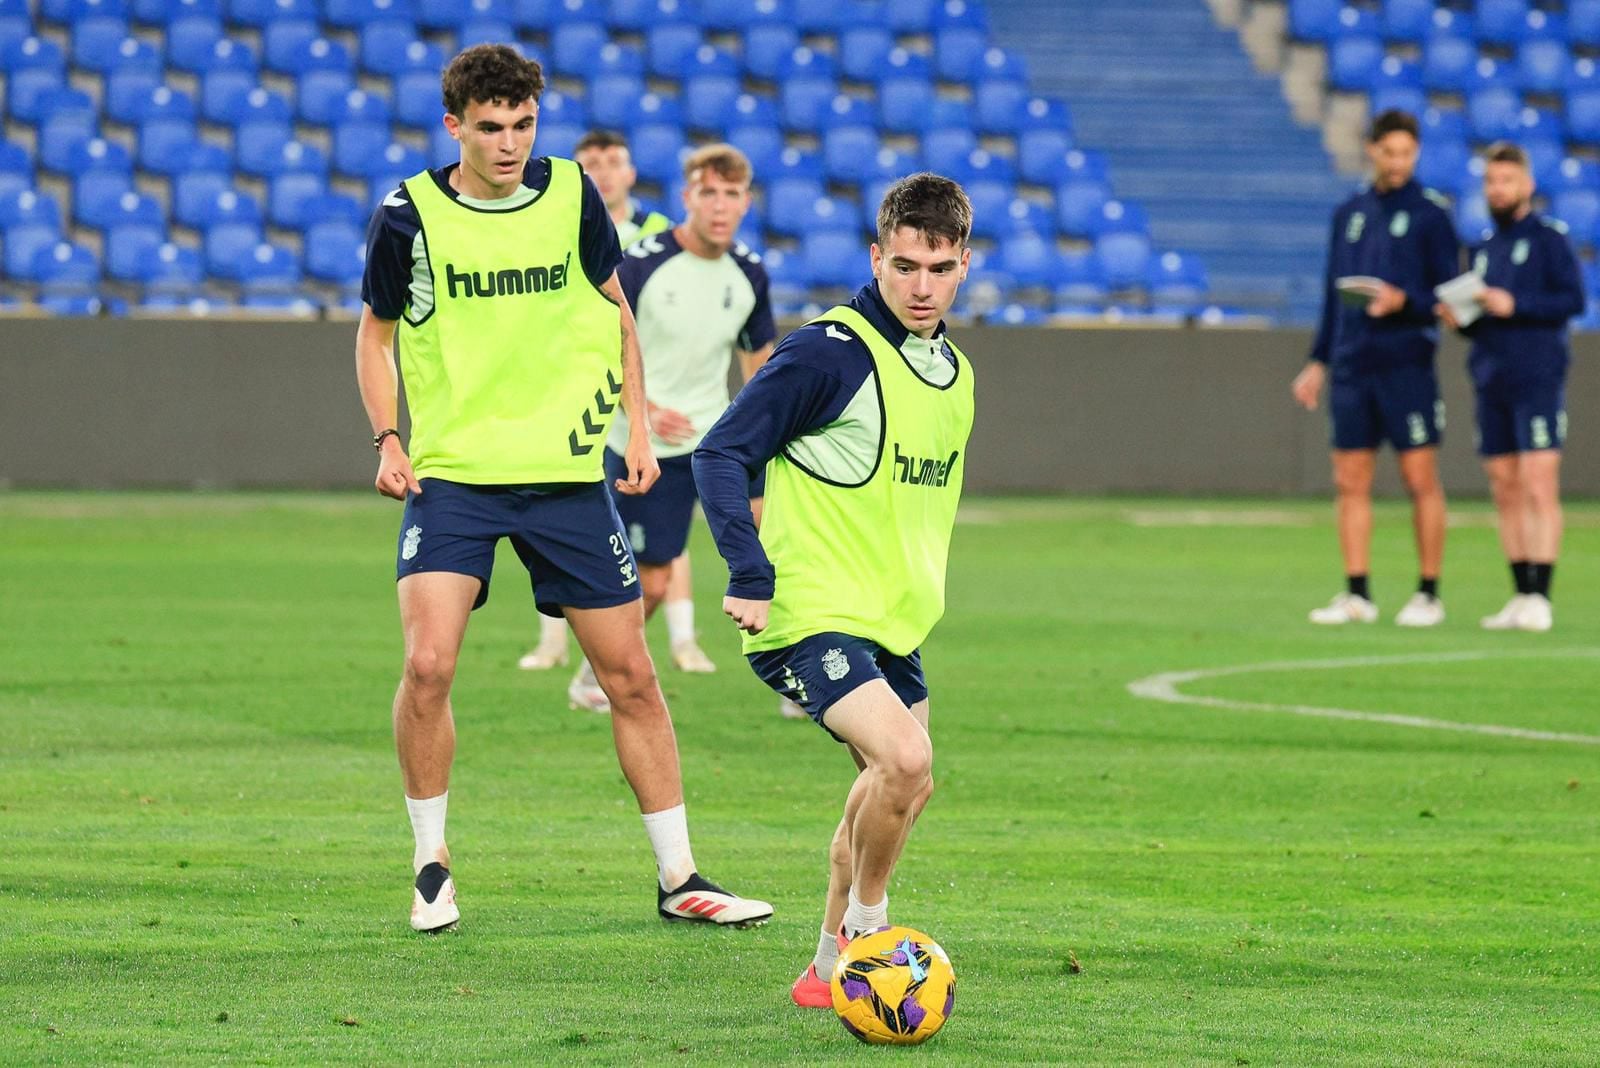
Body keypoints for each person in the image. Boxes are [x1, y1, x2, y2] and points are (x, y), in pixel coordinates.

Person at [354, 44, 770, 932]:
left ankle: (680, 877)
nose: (509, 144)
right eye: (491, 128)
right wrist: (389, 438)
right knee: (428, 666)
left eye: (524, 124)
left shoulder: (574, 194)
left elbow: (611, 303)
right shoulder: (408, 215)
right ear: (454, 125)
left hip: (568, 478)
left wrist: (635, 420)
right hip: (456, 478)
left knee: (630, 675)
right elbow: (376, 336)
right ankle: (431, 864)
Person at [693, 174, 976, 1008]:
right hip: (806, 615)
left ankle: (822, 976)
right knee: (906, 759)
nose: (920, 286)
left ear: (965, 264)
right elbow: (720, 453)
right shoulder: (828, 351)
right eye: (904, 265)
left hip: (893, 623)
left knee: (896, 791)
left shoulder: (954, 371)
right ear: (874, 256)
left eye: (939, 267)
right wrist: (748, 570)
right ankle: (865, 930)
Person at [566, 143, 777, 712]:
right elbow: (599, 346)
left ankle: (802, 680)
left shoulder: (751, 272)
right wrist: (644, 409)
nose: (719, 206)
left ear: (746, 202)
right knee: (652, 583)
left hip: (717, 443)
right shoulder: (641, 264)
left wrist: (763, 433)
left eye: (731, 195)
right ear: (687, 197)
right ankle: (593, 673)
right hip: (644, 445)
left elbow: (760, 359)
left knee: (777, 544)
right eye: (708, 193)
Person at [518, 130, 689, 672]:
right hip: (565, 388)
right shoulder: (559, 226)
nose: (606, 173)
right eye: (592, 163)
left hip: (646, 390)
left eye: (615, 162)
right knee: (553, 507)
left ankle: (683, 638)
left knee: (663, 519)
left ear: (632, 172)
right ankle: (553, 640)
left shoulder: (662, 236)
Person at [1291, 108, 1461, 627]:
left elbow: (1448, 297)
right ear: (1372, 150)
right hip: (1352, 364)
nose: (1399, 162)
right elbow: (1331, 294)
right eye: (1390, 152)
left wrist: (1402, 301)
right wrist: (1317, 360)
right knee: (1350, 478)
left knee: (1418, 476)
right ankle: (1357, 592)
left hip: (1406, 363)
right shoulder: (1350, 213)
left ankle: (1428, 592)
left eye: (1408, 153)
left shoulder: (1432, 215)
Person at [1436, 143, 1584, 633]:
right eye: (1491, 182)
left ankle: (1543, 594)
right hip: (1491, 378)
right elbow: (1484, 322)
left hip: (1537, 378)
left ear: (1527, 185)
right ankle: (1520, 592)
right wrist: (1460, 319)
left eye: (1507, 181)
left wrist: (1513, 301)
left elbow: (1572, 300)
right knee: (1505, 487)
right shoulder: (1483, 249)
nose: (1498, 190)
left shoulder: (1549, 239)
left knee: (1540, 481)